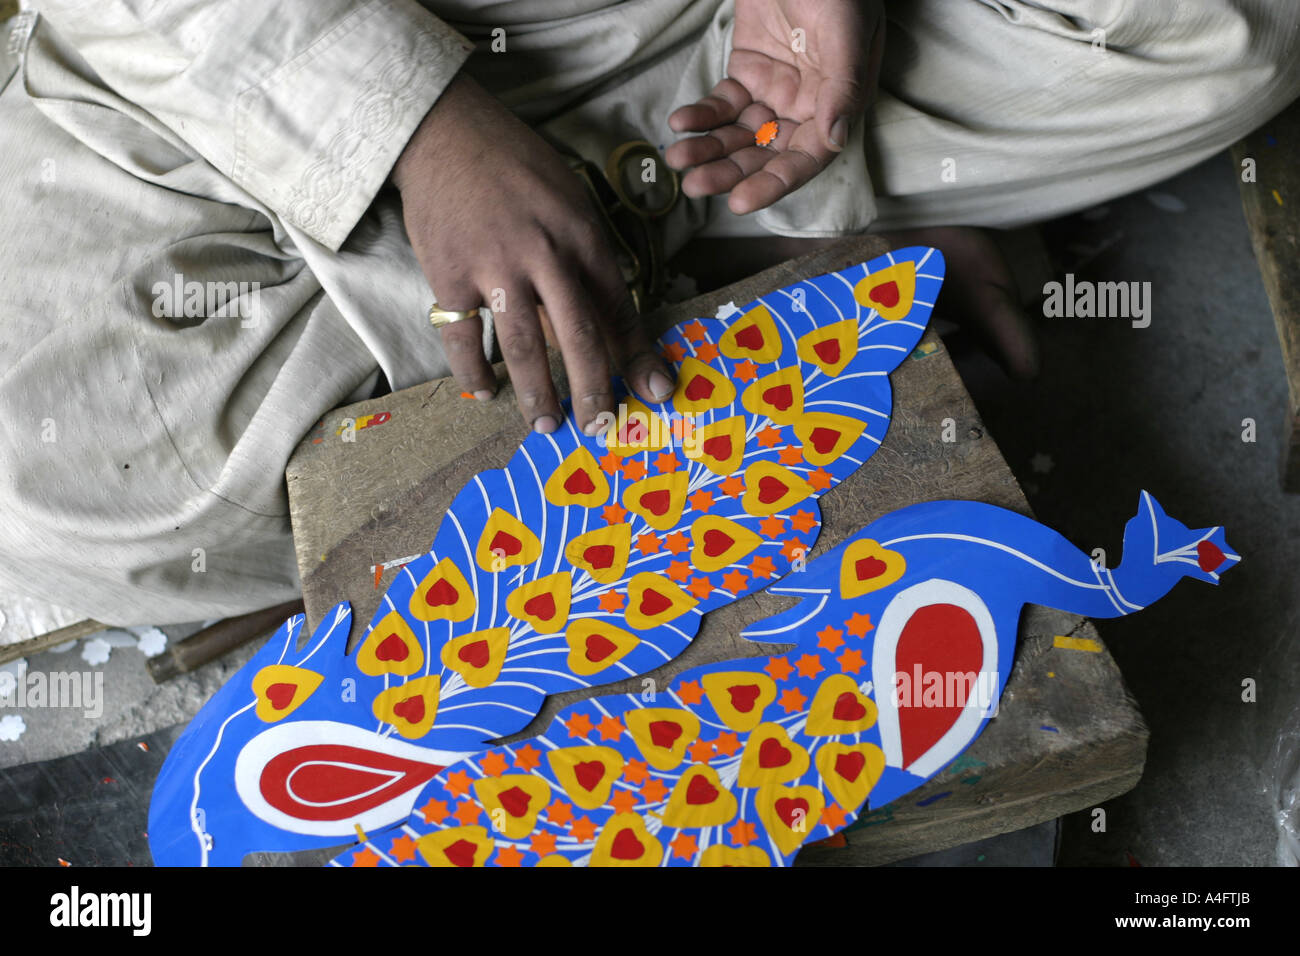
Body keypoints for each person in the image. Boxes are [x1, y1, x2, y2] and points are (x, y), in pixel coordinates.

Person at [1, 0, 1296, 626]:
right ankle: (699, 219)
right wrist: (424, 129)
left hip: (720, 30)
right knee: (48, 475)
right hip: (303, 47)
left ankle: (660, 216)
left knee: (1226, 20)